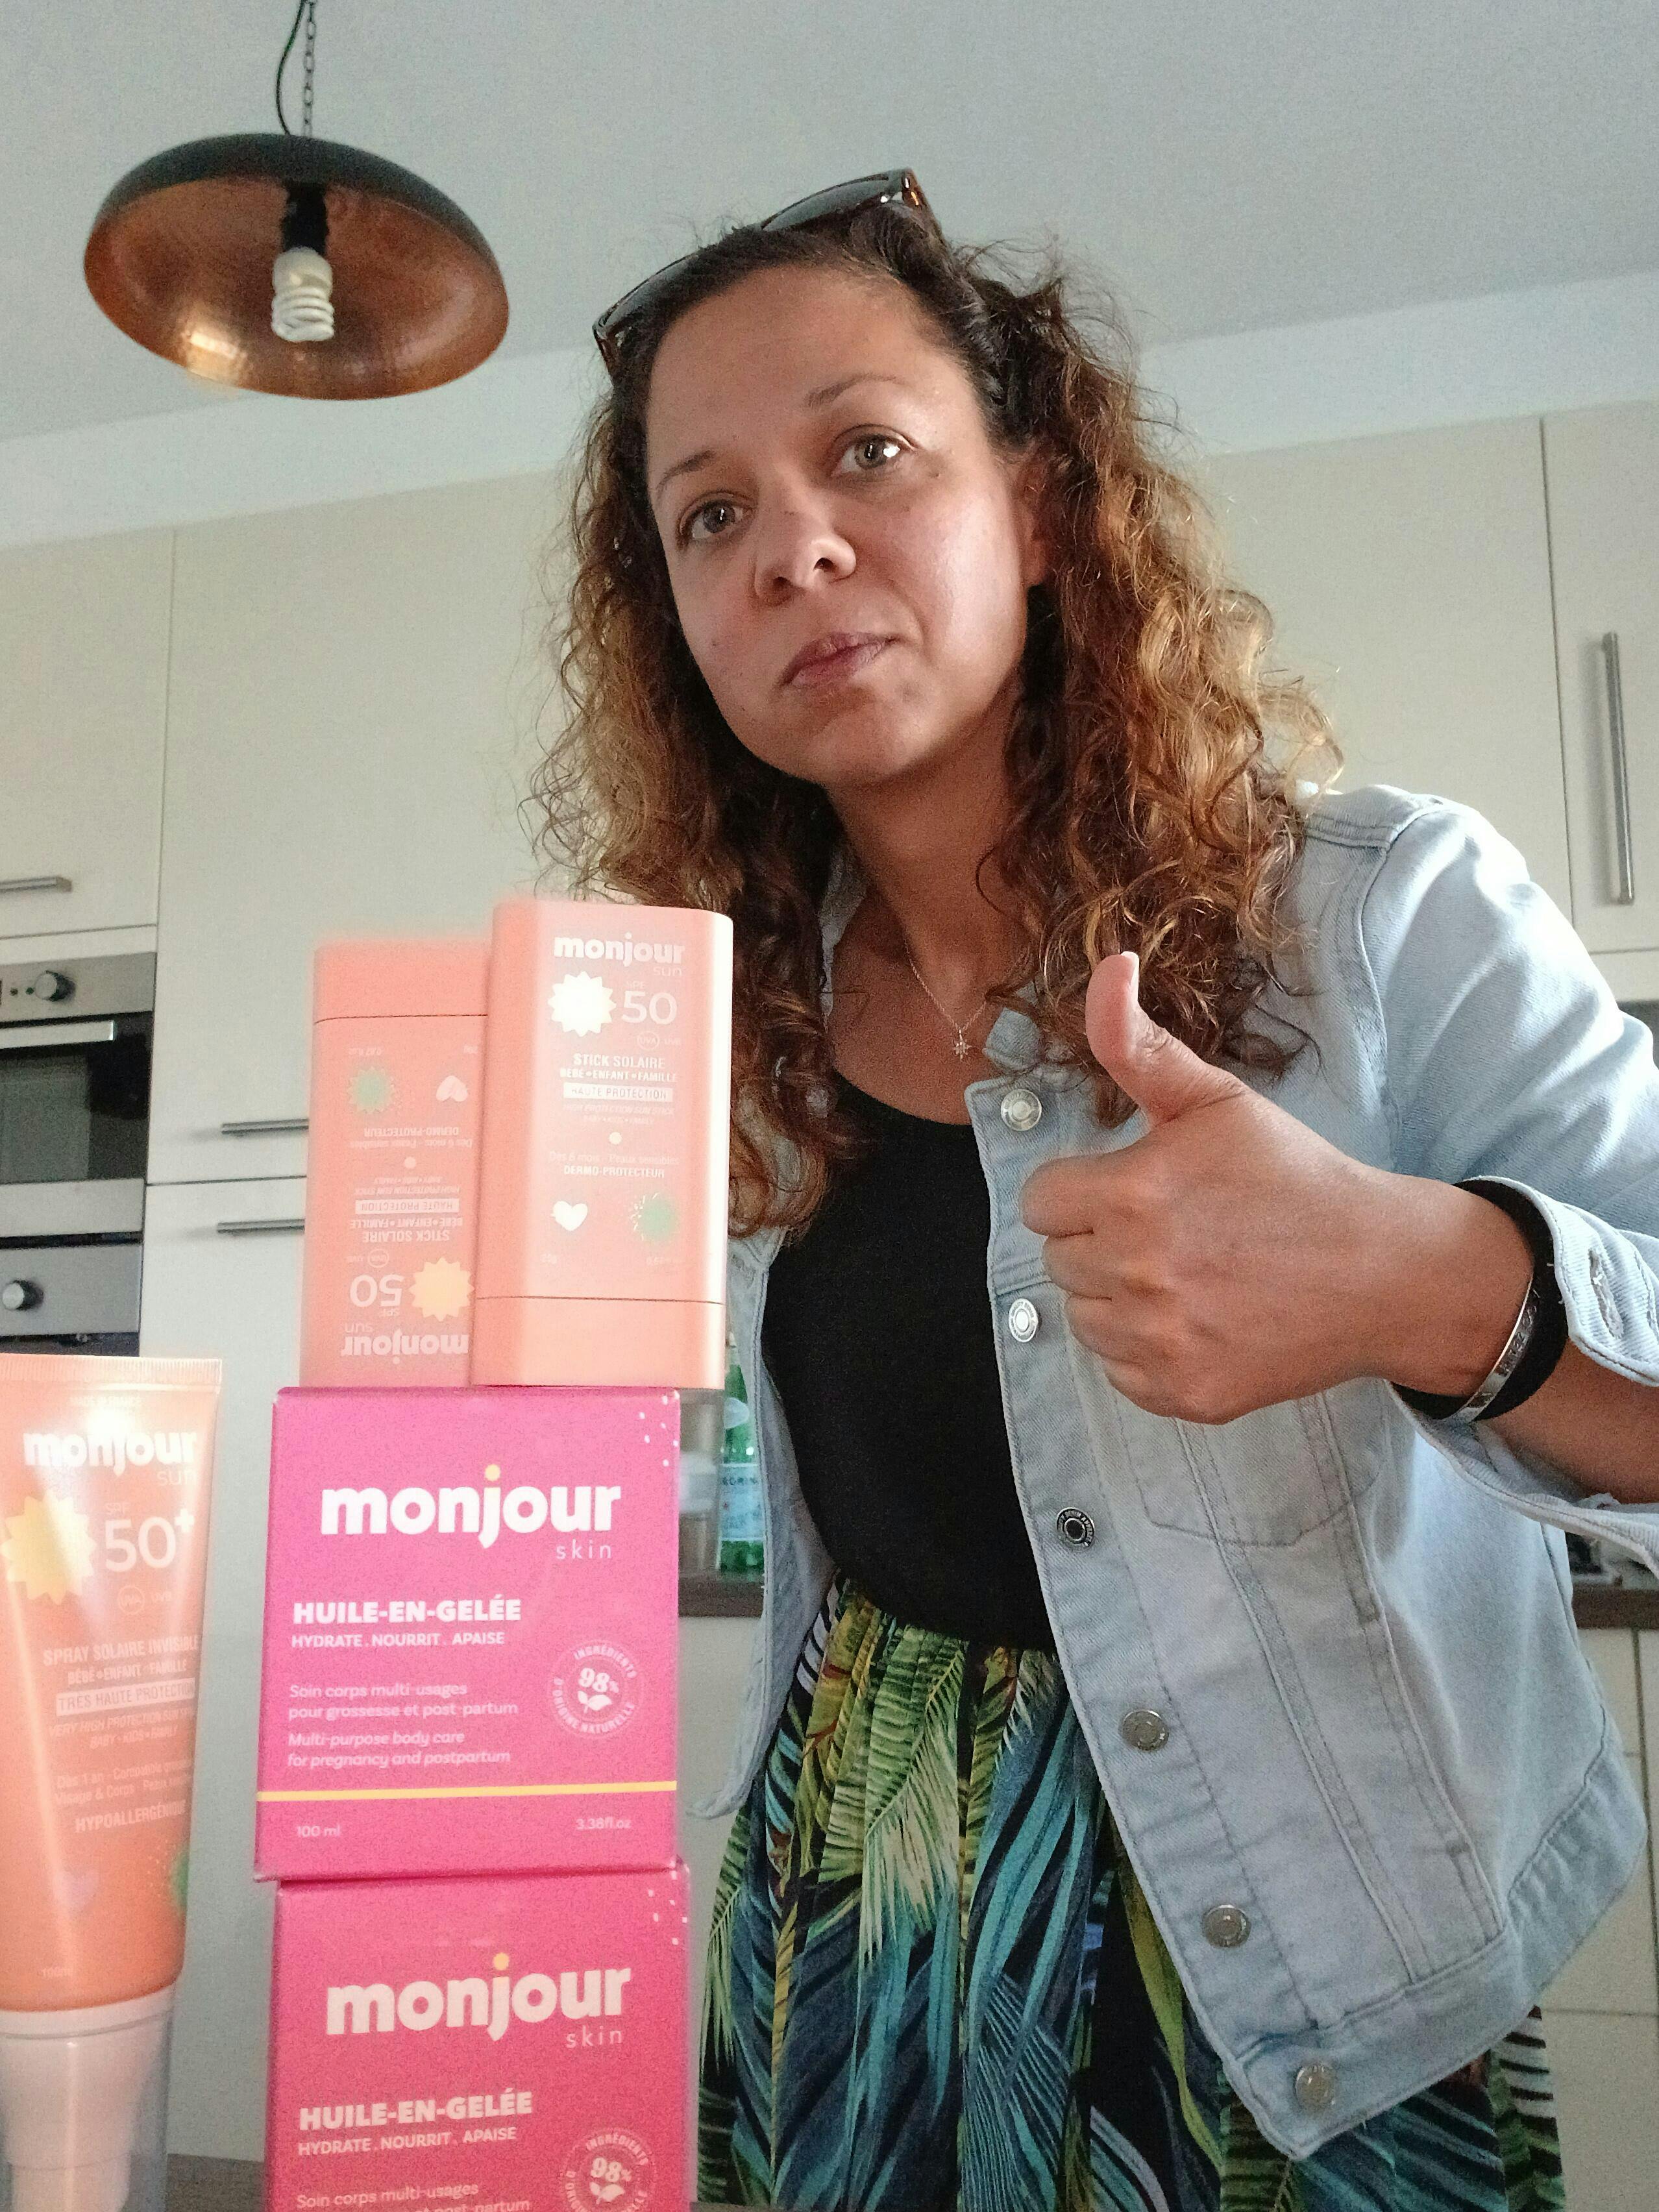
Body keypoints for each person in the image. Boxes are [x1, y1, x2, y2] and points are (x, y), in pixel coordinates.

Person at [533, 170, 1659, 2211]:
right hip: (851, 1931)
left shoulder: (1377, 915)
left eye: (867, 453)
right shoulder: (718, 1018)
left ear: (1040, 509)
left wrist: (1425, 1282)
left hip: (1320, 1957)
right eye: (709, 514)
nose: (791, 546)